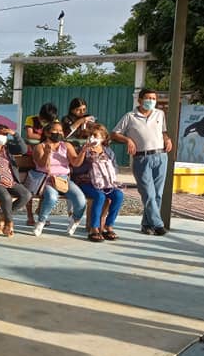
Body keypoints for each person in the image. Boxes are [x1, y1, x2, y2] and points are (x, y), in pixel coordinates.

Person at [111, 88, 173, 235]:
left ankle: (147, 224)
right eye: (148, 98)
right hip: (141, 158)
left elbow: (163, 131)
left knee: (157, 194)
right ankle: (158, 224)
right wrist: (128, 140)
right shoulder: (130, 116)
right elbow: (114, 133)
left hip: (160, 156)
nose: (151, 101)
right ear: (140, 100)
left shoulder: (160, 114)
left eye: (153, 98)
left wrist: (167, 139)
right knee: (148, 194)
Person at [31, 120, 88, 237]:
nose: (59, 133)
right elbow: (42, 165)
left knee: (81, 199)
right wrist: (47, 153)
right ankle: (41, 221)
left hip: (63, 179)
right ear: (47, 133)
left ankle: (75, 220)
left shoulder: (66, 145)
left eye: (60, 131)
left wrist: (83, 151)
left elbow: (76, 163)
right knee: (52, 197)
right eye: (55, 130)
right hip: (47, 178)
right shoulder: (39, 147)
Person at [73, 123, 125, 242]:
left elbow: (115, 168)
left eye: (95, 135)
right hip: (87, 182)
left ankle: (108, 225)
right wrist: (89, 162)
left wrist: (105, 169)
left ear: (103, 138)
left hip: (105, 183)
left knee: (118, 195)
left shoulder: (108, 152)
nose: (92, 138)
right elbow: (76, 169)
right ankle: (94, 228)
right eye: (90, 135)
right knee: (99, 196)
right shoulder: (84, 150)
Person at [23, 103, 58, 225]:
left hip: (48, 157)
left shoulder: (55, 121)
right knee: (29, 187)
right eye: (44, 120)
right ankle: (29, 215)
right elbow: (30, 135)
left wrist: (42, 137)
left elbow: (57, 136)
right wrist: (46, 136)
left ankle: (41, 210)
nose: (45, 123)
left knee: (45, 185)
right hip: (30, 156)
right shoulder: (31, 119)